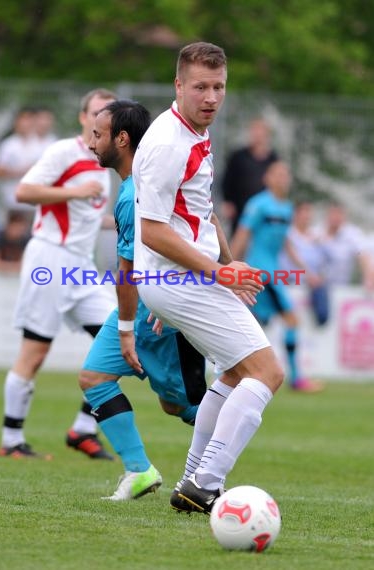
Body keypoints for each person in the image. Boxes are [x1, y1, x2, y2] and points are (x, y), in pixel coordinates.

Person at [132, 41, 284, 514]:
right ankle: (206, 484)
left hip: (181, 281)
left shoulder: (194, 131)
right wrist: (215, 273)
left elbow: (198, 214)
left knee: (238, 373)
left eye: (218, 86)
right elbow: (153, 232)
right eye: (200, 87)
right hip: (179, 279)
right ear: (178, 85)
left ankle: (192, 481)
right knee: (267, 373)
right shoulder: (166, 144)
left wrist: (227, 264)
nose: (211, 97)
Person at [81, 99, 207, 500]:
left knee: (182, 405)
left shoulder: (134, 193)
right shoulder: (134, 186)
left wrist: (130, 328)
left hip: (155, 311)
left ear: (121, 138)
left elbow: (130, 271)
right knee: (94, 378)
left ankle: (227, 436)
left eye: (98, 135)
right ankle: (139, 470)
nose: (90, 143)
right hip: (136, 307)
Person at [0, 88, 118, 460]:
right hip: (49, 259)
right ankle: (11, 440)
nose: (101, 120)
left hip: (82, 266)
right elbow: (24, 191)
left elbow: (88, 217)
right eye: (96, 112)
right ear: (84, 117)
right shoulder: (64, 152)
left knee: (118, 340)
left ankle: (82, 430)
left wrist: (123, 224)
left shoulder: (106, 163)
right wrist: (74, 192)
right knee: (35, 352)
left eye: (108, 114)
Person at [231, 161, 324, 392]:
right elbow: (243, 235)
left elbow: (285, 244)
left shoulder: (287, 208)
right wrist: (227, 267)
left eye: (286, 174)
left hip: (273, 274)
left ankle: (236, 376)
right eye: (278, 174)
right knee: (290, 320)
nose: (283, 178)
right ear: (267, 178)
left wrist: (307, 271)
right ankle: (296, 379)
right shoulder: (258, 205)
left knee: (254, 326)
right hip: (261, 274)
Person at [220, 118, 278, 234]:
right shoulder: (238, 156)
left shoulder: (273, 159)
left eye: (261, 132)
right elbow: (227, 180)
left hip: (265, 211)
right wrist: (227, 201)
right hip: (241, 209)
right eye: (255, 131)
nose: (258, 136)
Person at [279, 200, 330, 326]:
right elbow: (292, 255)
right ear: (296, 214)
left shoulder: (316, 236)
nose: (307, 215)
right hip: (290, 280)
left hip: (310, 284)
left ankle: (321, 320)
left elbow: (323, 262)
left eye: (309, 212)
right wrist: (308, 274)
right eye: (304, 211)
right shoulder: (287, 233)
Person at [318, 202, 374, 289]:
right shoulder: (317, 232)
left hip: (340, 288)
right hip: (315, 286)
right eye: (333, 213)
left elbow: (363, 255)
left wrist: (368, 277)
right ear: (327, 215)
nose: (336, 217)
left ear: (344, 216)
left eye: (339, 213)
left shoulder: (351, 234)